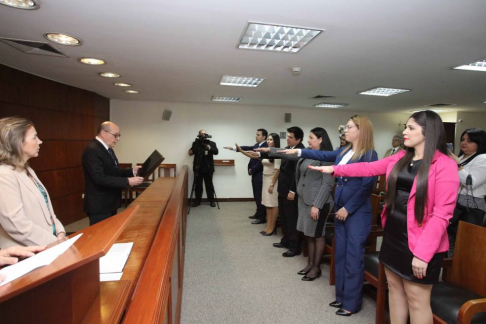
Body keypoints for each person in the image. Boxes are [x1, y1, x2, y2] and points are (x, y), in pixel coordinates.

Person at [309, 111, 460, 323]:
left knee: (417, 300)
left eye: (411, 128)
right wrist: (335, 169)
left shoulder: (445, 165)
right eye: (405, 127)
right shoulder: (402, 156)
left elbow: (442, 215)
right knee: (395, 292)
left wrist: (423, 254)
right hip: (393, 235)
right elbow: (369, 168)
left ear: (429, 132)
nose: (404, 132)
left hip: (420, 242)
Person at [279, 115, 377, 315]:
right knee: (340, 255)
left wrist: (348, 208)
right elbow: (323, 155)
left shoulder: (369, 154)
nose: (345, 131)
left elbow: (367, 187)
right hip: (341, 211)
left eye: (349, 127)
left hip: (355, 213)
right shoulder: (344, 151)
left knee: (352, 258)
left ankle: (351, 304)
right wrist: (297, 151)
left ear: (361, 130)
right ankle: (341, 297)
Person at [0, 117, 66, 248]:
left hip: (49, 244)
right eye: (34, 137)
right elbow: (16, 224)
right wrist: (54, 243)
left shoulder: (27, 169)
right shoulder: (4, 174)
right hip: (27, 252)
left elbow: (48, 210)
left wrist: (60, 232)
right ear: (16, 142)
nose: (40, 141)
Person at [82, 121, 144, 225]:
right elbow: (99, 178)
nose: (118, 139)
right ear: (103, 133)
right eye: (115, 135)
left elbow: (114, 171)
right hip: (100, 205)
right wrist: (127, 181)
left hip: (109, 202)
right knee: (100, 237)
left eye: (119, 136)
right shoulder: (92, 150)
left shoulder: (107, 148)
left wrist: (132, 171)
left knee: (109, 234)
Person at [259, 126, 306, 257]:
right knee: (284, 217)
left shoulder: (300, 151)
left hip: (291, 190)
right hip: (283, 188)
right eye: (288, 137)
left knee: (292, 218)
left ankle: (294, 246)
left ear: (298, 139)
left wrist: (292, 190)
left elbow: (297, 174)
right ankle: (286, 240)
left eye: (291, 137)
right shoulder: (289, 149)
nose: (288, 139)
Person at [448, 127, 486, 256]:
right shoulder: (462, 157)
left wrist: (457, 165)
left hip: (471, 206)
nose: (464, 143)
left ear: (479, 143)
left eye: (470, 141)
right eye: (463, 139)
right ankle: (450, 273)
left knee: (464, 245)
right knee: (449, 240)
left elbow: (471, 183)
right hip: (454, 202)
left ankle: (459, 274)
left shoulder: (483, 158)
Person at [237, 133, 281, 235]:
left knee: (273, 204)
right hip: (265, 179)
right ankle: (268, 225)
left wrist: (272, 185)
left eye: (271, 140)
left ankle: (272, 227)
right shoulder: (267, 152)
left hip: (272, 181)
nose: (269, 141)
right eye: (268, 139)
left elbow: (277, 170)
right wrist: (241, 151)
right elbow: (253, 155)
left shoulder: (278, 153)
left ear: (276, 141)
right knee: (267, 204)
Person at [224, 129, 268, 224]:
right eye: (256, 134)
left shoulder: (266, 146)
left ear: (264, 137)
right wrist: (234, 148)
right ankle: (258, 213)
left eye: (258, 135)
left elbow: (261, 162)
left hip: (260, 175)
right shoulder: (257, 145)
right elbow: (247, 148)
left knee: (260, 196)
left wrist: (253, 169)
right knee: (256, 195)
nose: (256, 136)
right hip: (255, 174)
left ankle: (262, 217)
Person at [188, 130, 219, 207]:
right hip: (198, 167)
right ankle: (197, 201)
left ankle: (211, 200)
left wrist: (209, 148)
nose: (203, 135)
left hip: (208, 167)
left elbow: (216, 152)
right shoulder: (196, 143)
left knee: (209, 185)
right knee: (198, 185)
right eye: (201, 134)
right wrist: (190, 152)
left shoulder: (212, 143)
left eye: (204, 134)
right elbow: (191, 152)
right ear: (199, 135)